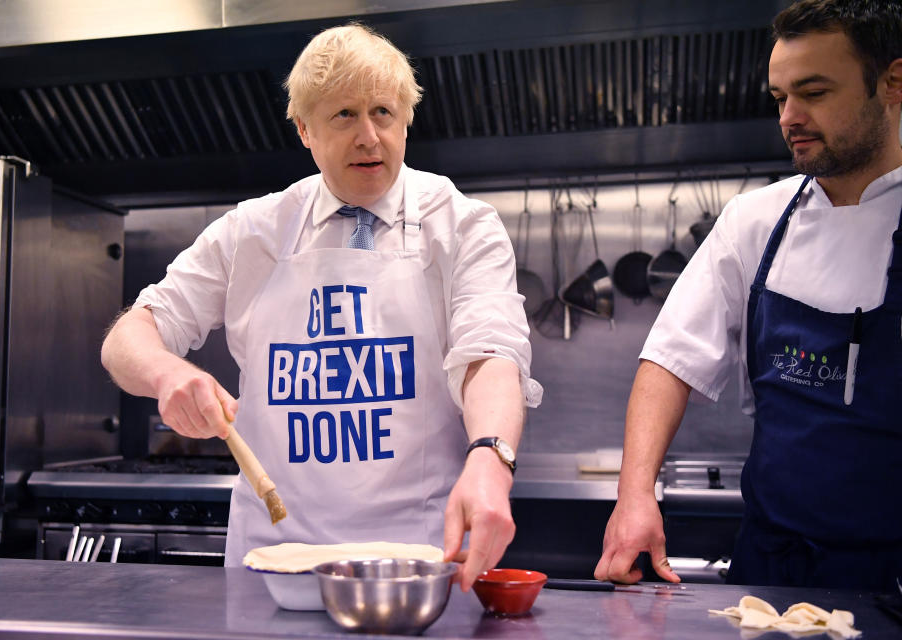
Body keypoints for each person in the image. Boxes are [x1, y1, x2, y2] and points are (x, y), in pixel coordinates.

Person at [100, 23, 541, 591]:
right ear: (304, 130)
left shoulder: (460, 224)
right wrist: (168, 374)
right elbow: (129, 336)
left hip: (419, 563)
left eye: (383, 112)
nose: (369, 137)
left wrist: (490, 456)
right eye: (344, 116)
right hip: (274, 566)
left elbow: (491, 354)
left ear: (406, 119)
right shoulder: (251, 232)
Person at [595, 0, 902, 591]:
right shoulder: (755, 221)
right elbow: (669, 358)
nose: (791, 117)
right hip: (771, 566)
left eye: (813, 92)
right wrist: (635, 496)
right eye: (780, 98)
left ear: (892, 82)